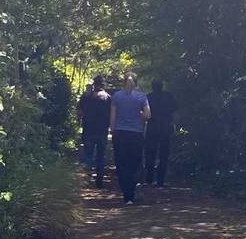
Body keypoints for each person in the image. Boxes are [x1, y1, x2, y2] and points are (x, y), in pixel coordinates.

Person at [109, 72, 150, 204]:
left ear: (124, 82)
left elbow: (113, 116)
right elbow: (148, 115)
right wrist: (140, 114)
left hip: (120, 133)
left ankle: (126, 194)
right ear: (136, 83)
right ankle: (133, 190)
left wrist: (112, 130)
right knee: (134, 163)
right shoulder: (142, 97)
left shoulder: (117, 96)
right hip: (136, 134)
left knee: (121, 164)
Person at [75, 75, 110, 187]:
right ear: (103, 84)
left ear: (94, 84)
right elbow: (112, 113)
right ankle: (99, 179)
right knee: (100, 154)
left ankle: (87, 177)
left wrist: (78, 122)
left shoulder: (86, 96)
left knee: (88, 153)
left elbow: (79, 111)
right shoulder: (108, 97)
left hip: (88, 128)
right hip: (102, 129)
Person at [144, 77, 177, 187]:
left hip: (152, 128)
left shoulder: (148, 97)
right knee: (164, 155)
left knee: (150, 154)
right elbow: (174, 109)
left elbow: (145, 113)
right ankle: (160, 180)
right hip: (165, 128)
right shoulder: (168, 96)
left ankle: (149, 178)